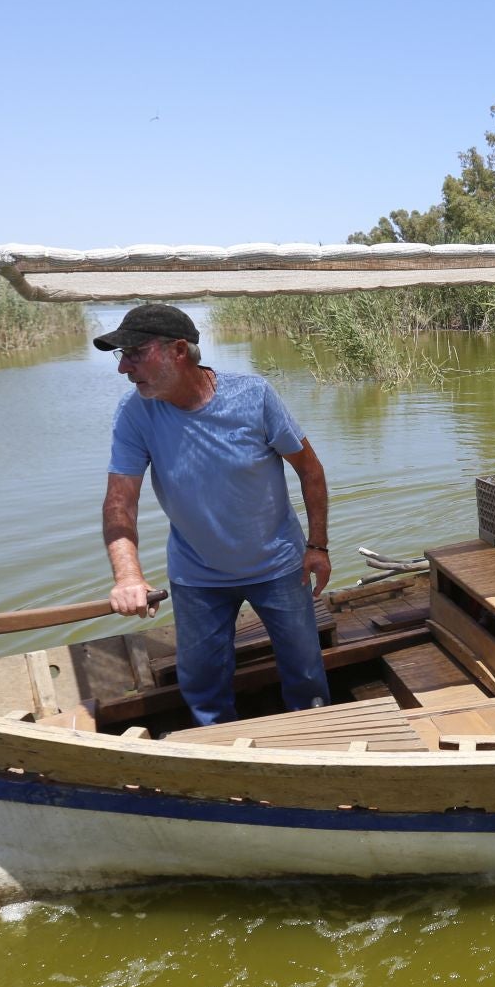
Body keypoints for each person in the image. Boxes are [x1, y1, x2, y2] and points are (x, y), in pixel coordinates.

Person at [100, 303, 333, 727]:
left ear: (179, 350)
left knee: (305, 672)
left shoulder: (253, 395)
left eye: (134, 353)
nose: (124, 369)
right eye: (122, 356)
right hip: (198, 576)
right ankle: (220, 745)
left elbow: (309, 470)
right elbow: (120, 501)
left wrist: (317, 546)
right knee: (202, 682)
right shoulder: (135, 413)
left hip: (279, 565)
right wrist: (128, 576)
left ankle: (315, 735)